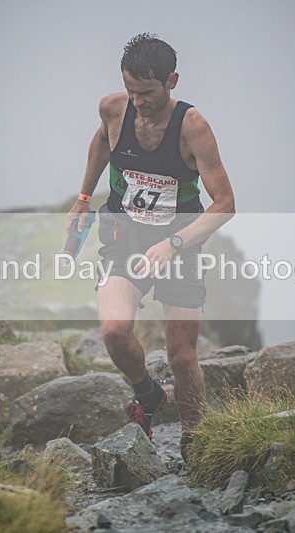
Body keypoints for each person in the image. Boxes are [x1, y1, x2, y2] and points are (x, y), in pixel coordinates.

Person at [67, 33, 235, 463]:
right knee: (113, 331)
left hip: (180, 245)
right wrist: (83, 198)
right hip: (124, 237)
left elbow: (225, 204)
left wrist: (174, 242)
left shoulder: (192, 127)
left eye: (147, 92)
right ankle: (147, 393)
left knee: (181, 356)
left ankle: (194, 437)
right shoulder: (114, 109)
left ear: (171, 81)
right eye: (131, 91)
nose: (138, 102)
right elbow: (102, 142)